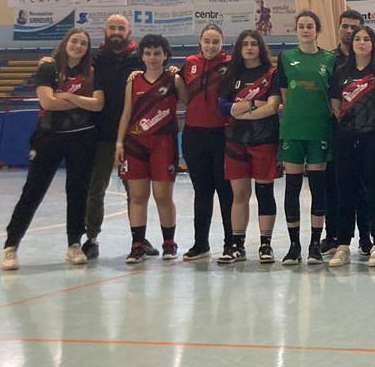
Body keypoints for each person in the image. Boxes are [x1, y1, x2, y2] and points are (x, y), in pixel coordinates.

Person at [1, 29, 105, 270]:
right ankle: (11, 246)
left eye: (83, 43)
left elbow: (98, 104)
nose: (78, 46)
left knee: (78, 192)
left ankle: (74, 244)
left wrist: (67, 96)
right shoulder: (48, 67)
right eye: (75, 41)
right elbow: (46, 102)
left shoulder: (91, 71)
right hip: (48, 138)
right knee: (33, 191)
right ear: (66, 42)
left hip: (82, 138)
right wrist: (81, 102)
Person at [115, 34, 189, 263]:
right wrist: (119, 142)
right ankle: (137, 244)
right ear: (142, 56)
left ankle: (169, 243)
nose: (153, 57)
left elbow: (188, 102)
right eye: (148, 53)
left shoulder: (173, 79)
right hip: (135, 143)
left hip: (163, 144)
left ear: (165, 55)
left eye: (157, 53)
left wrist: (181, 77)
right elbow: (126, 113)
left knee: (162, 196)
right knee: (137, 196)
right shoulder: (133, 81)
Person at [328, 25, 375, 268]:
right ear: (352, 43)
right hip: (345, 138)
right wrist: (349, 126)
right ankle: (343, 244)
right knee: (346, 191)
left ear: (373, 44)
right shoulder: (340, 72)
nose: (362, 42)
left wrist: (373, 128)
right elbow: (335, 105)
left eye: (367, 39)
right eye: (358, 39)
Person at [276, 10, 337, 265]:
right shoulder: (286, 58)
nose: (305, 30)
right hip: (293, 129)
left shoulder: (329, 59)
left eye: (310, 26)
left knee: (317, 187)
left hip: (319, 129)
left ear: (317, 29)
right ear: (296, 30)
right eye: (301, 26)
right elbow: (284, 95)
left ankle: (314, 245)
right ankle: (293, 246)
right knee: (292, 186)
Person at [218, 30, 281, 264]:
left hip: (264, 140)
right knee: (240, 194)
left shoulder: (272, 74)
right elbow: (224, 108)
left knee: (265, 193)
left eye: (254, 43)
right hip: (235, 141)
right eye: (245, 44)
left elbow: (272, 106)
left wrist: (242, 111)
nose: (249, 48)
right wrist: (254, 104)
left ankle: (266, 245)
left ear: (260, 47)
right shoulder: (231, 74)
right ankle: (237, 244)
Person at [83, 14, 143, 260]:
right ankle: (92, 237)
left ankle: (138, 239)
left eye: (121, 28)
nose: (116, 31)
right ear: (105, 31)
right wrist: (49, 60)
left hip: (134, 134)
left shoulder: (139, 57)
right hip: (101, 135)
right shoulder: (95, 58)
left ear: (129, 32)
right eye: (112, 28)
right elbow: (67, 61)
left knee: (136, 192)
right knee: (96, 189)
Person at [179, 24, 234, 261]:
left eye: (215, 42)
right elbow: (178, 86)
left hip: (221, 135)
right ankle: (201, 244)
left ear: (222, 43)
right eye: (207, 41)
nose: (211, 46)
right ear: (200, 42)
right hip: (193, 135)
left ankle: (231, 243)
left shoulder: (230, 64)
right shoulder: (189, 63)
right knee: (202, 191)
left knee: (225, 191)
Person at [322, 9, 364, 254]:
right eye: (345, 26)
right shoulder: (329, 60)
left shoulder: (369, 60)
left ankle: (365, 237)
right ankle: (333, 235)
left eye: (354, 27)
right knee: (333, 185)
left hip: (366, 132)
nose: (349, 31)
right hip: (335, 132)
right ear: (338, 28)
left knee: (363, 187)